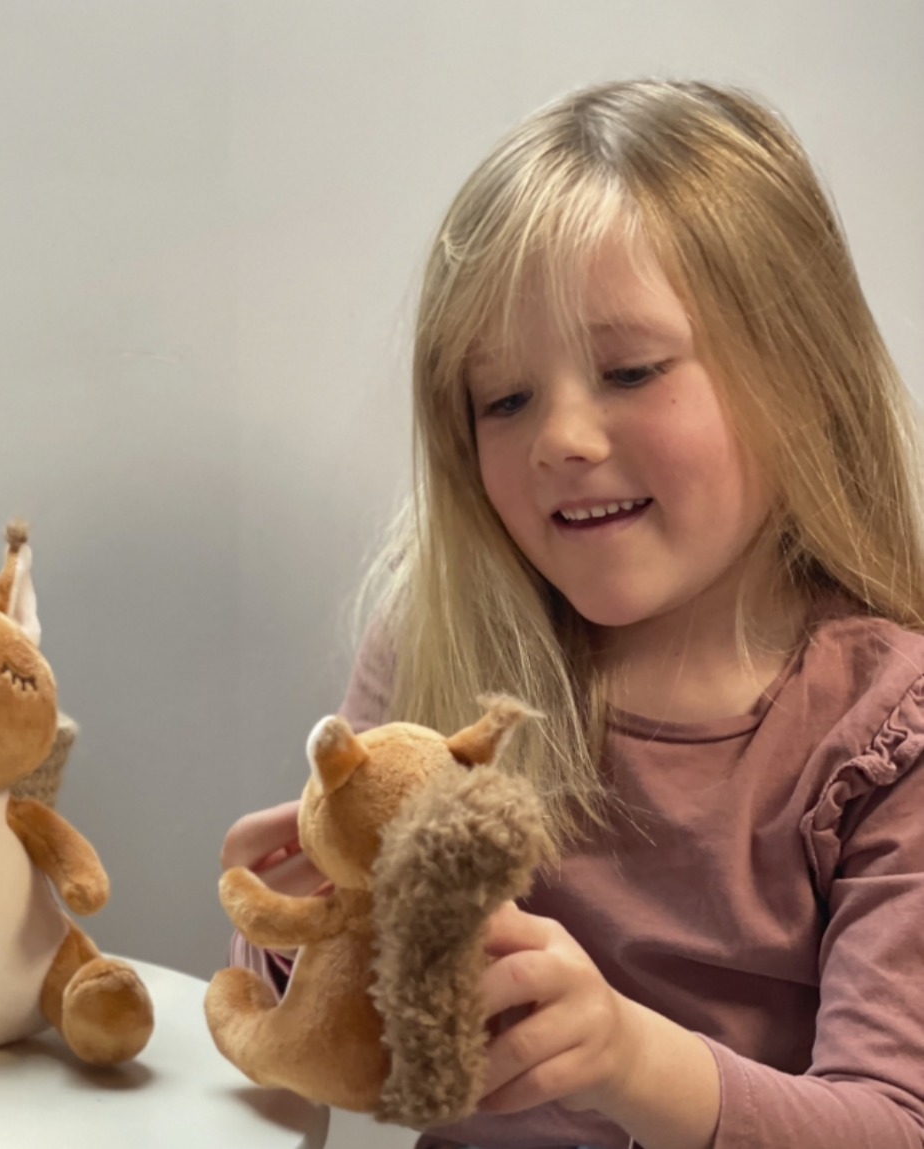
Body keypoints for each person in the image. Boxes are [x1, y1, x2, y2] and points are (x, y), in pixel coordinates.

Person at [220, 79, 924, 1149]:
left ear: (803, 373)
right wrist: (299, 933)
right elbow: (334, 1047)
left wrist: (631, 1062)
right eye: (503, 399)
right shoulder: (437, 644)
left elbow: (892, 1121)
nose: (561, 438)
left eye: (631, 369)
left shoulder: (887, 733)